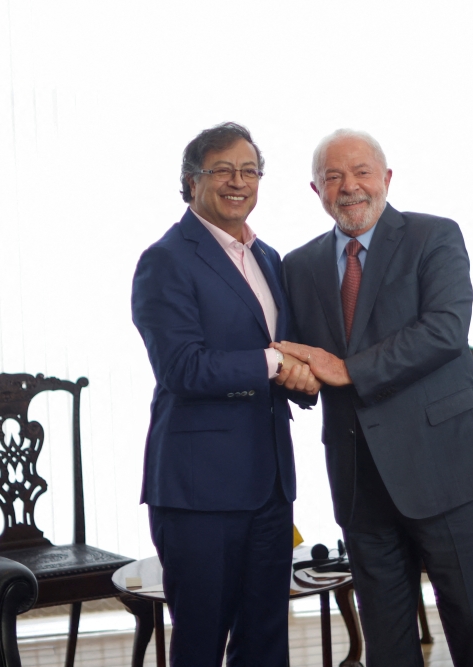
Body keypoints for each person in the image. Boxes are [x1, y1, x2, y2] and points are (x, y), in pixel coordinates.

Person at [274, 129, 473, 666]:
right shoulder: (298, 265)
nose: (349, 187)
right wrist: (296, 376)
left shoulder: (435, 237)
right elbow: (307, 363)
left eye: (361, 172)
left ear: (386, 179)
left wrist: (346, 370)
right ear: (315, 191)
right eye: (332, 177)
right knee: (387, 642)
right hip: (360, 478)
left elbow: (445, 330)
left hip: (447, 468)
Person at [131, 122, 319, 667]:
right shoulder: (166, 259)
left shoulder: (268, 258)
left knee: (265, 642)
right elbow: (182, 368)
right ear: (191, 182)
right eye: (222, 171)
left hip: (268, 485)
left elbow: (283, 351)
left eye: (249, 170)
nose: (238, 182)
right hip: (199, 492)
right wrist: (277, 363)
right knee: (201, 643)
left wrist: (302, 378)